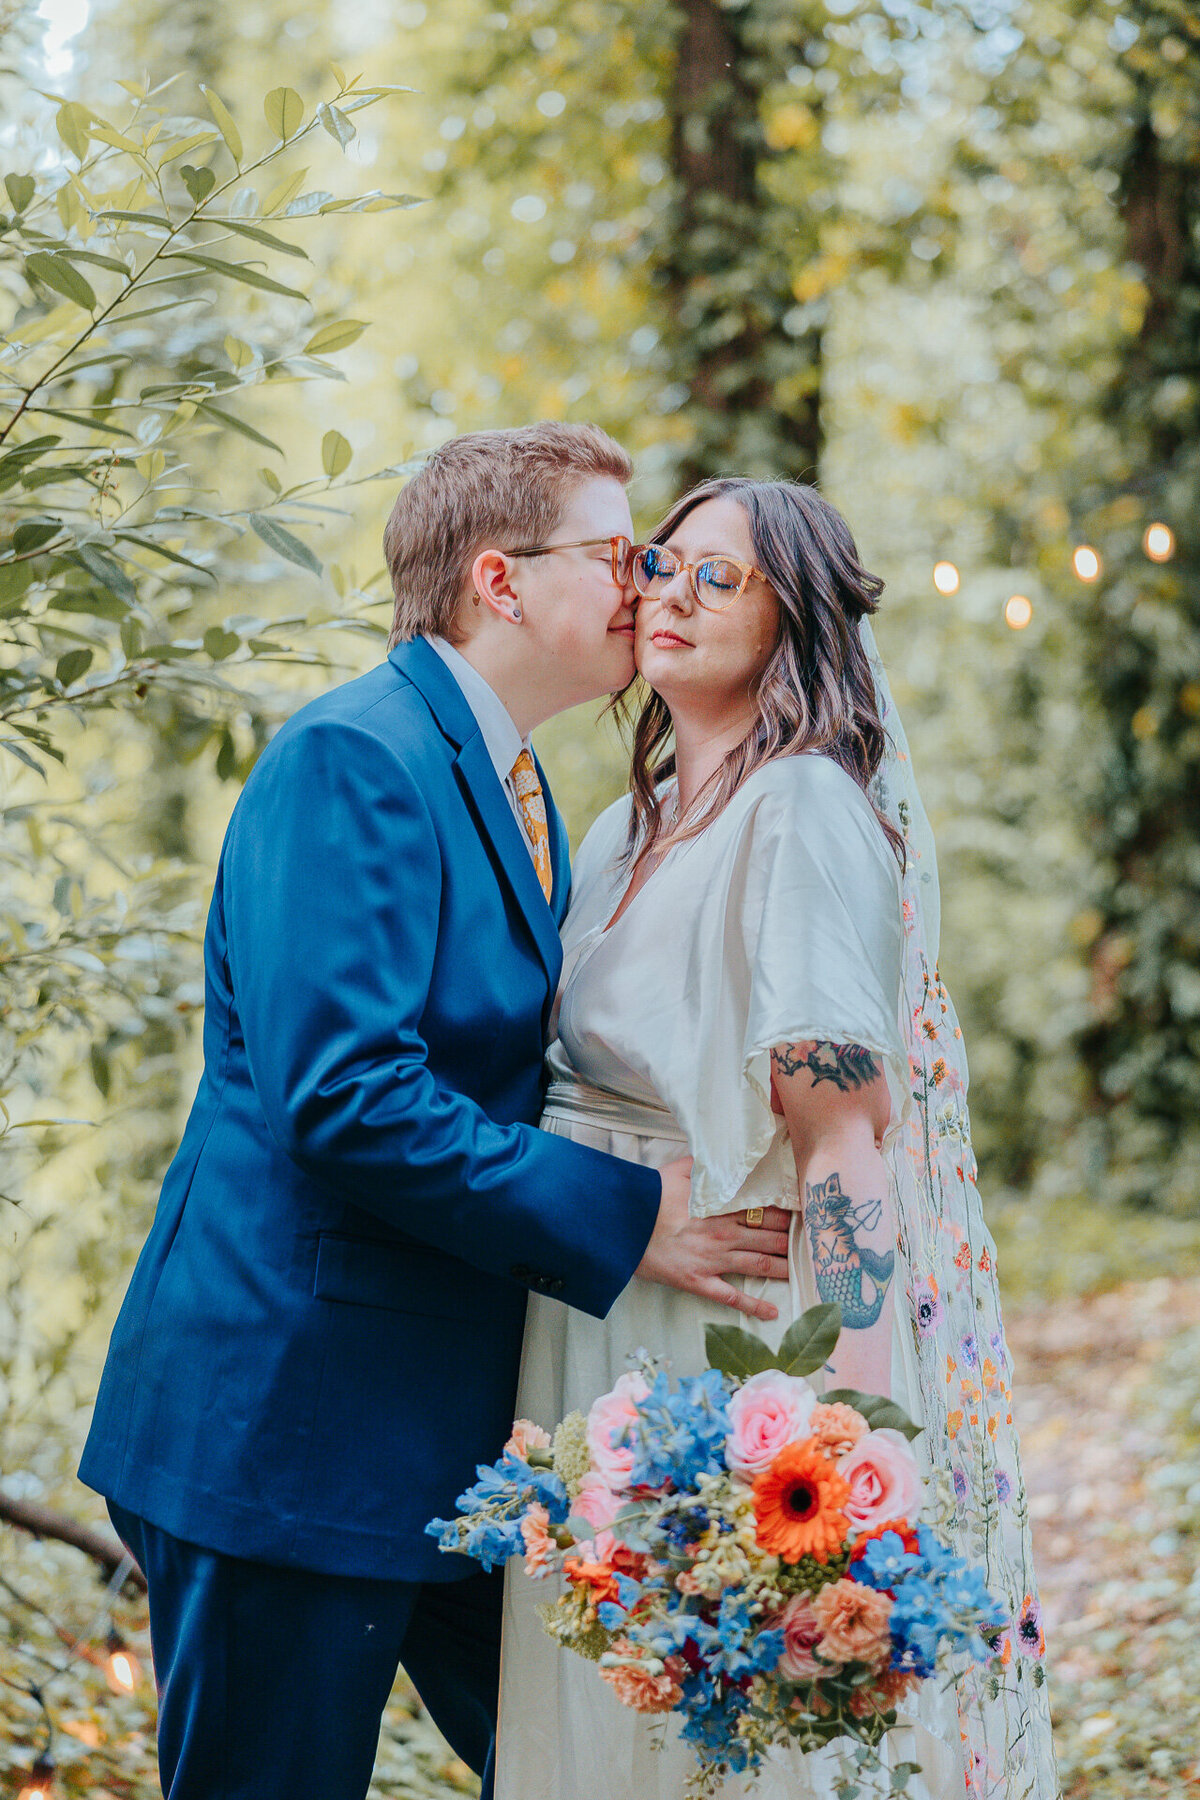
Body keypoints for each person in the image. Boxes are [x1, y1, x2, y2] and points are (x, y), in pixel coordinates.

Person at [78, 425, 796, 1800]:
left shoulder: (518, 780)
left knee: (602, 1767)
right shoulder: (354, 758)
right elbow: (346, 1099)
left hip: (448, 1436)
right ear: (498, 580)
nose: (644, 584)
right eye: (615, 555)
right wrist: (631, 1215)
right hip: (286, 1426)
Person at [497, 477, 1059, 1799]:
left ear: (795, 618)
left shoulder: (801, 811)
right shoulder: (622, 828)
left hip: (737, 1343)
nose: (670, 593)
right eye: (661, 562)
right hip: (599, 1337)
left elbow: (844, 1155)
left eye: (719, 577)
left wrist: (840, 1463)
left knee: (738, 1746)